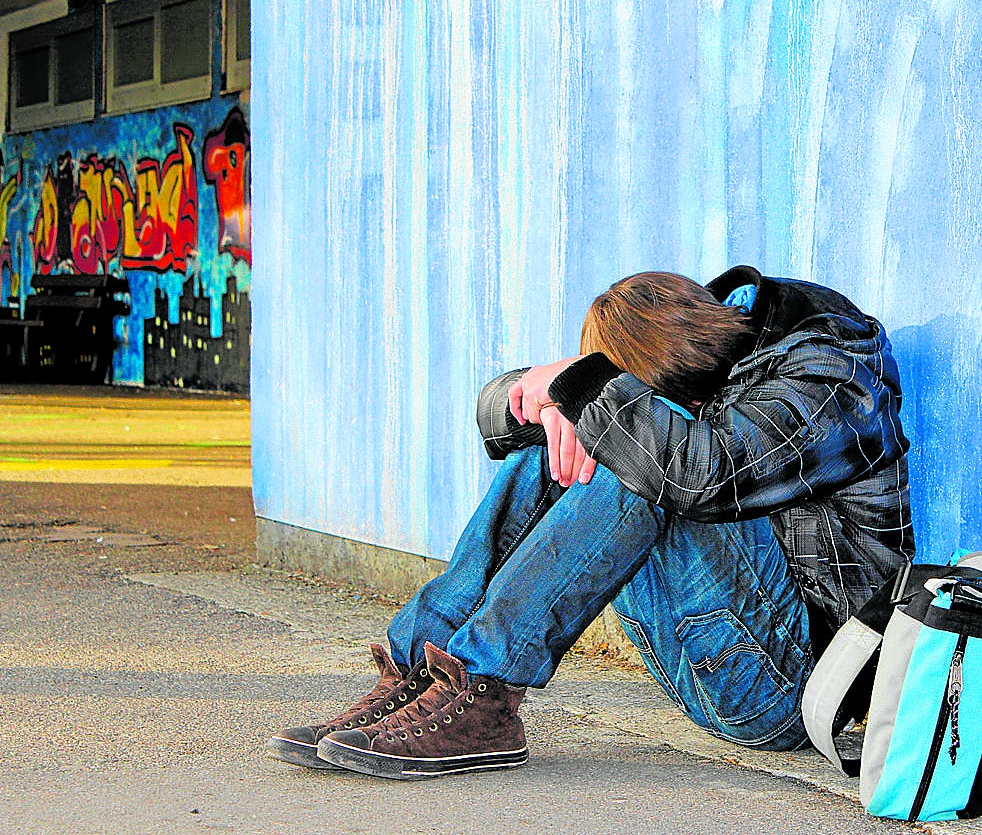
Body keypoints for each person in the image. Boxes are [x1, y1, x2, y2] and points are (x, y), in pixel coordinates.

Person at [266, 264, 912, 779]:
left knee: (639, 453)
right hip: (711, 660)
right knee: (576, 439)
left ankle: (485, 690)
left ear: (717, 355)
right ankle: (422, 673)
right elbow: (500, 418)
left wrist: (588, 394)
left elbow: (702, 472)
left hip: (794, 689)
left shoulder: (828, 379)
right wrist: (556, 397)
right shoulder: (701, 343)